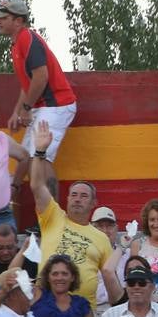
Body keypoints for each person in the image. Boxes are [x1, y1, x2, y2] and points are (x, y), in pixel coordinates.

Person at [26, 123, 110, 304]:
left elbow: (110, 276)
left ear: (94, 203)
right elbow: (36, 185)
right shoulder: (52, 215)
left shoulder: (102, 238)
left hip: (83, 310)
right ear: (67, 199)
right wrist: (40, 152)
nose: (78, 199)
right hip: (46, 303)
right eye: (74, 195)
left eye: (84, 196)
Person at [0, 0, 79, 166]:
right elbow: (28, 85)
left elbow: (41, 77)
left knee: (38, 161)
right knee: (25, 157)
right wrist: (17, 112)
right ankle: (14, 189)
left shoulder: (26, 38)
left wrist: (25, 110)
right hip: (47, 107)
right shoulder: (18, 42)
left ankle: (45, 193)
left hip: (56, 105)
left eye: (3, 18)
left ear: (18, 21)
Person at [0, 103, 29, 242]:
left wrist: (15, 185)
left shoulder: (2, 139)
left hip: (1, 216)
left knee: (7, 260)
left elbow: (25, 157)